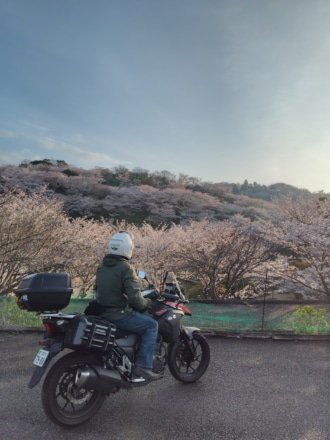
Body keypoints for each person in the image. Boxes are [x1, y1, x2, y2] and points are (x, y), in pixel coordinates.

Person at [95, 231, 163, 381]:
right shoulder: (125, 268)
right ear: (128, 248)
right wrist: (148, 302)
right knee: (151, 326)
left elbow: (98, 289)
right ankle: (143, 366)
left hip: (102, 312)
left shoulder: (102, 266)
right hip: (118, 314)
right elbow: (136, 300)